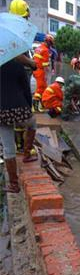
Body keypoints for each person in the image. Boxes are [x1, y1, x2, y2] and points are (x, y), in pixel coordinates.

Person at [0, 59, 38, 193]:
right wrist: (28, 107)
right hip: (20, 108)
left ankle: (14, 184)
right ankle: (27, 154)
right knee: (32, 124)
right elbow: (26, 89)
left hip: (1, 112)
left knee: (8, 147)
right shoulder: (17, 64)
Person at [32, 34, 54, 111]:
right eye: (50, 44)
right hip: (40, 71)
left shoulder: (38, 48)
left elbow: (34, 60)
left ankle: (43, 105)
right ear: (48, 42)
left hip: (35, 70)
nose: (50, 46)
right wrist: (46, 75)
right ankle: (35, 107)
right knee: (40, 89)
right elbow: (45, 65)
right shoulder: (45, 50)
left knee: (44, 88)